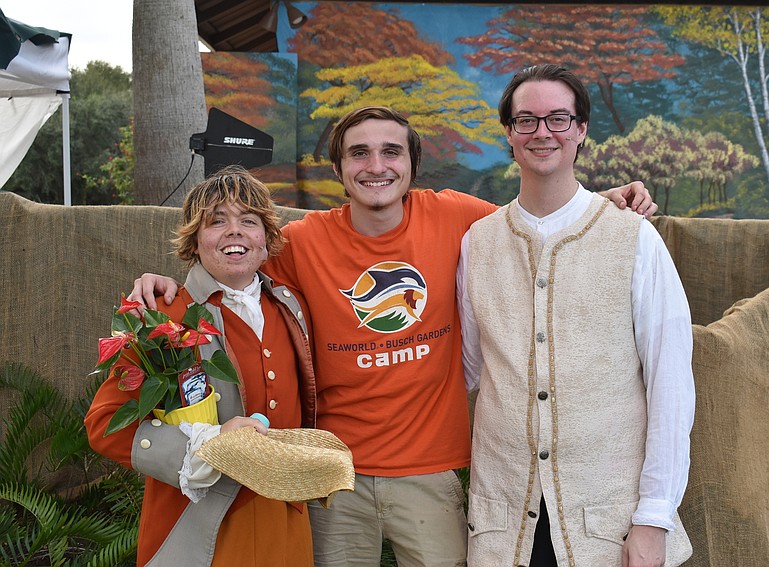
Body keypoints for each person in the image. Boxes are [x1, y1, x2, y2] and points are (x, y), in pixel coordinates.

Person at [129, 106, 657, 566]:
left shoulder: (459, 218)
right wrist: (170, 287)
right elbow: (231, 260)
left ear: (411, 165)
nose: (375, 166)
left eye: (390, 152)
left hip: (430, 472)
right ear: (338, 169)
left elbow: (538, 221)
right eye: (359, 154)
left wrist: (605, 199)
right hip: (334, 474)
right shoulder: (301, 242)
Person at [457, 64, 695, 567]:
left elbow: (670, 383)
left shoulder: (634, 237)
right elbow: (468, 373)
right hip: (504, 528)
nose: (542, 132)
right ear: (509, 134)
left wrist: (655, 517)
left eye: (558, 118)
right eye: (527, 120)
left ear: (581, 130)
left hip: (608, 527)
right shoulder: (477, 243)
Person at [86, 166, 317, 567]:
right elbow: (106, 424)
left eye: (249, 220)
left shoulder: (292, 305)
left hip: (287, 521)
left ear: (267, 240)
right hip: (198, 528)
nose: (235, 231)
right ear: (194, 241)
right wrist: (207, 445)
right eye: (216, 222)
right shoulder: (161, 318)